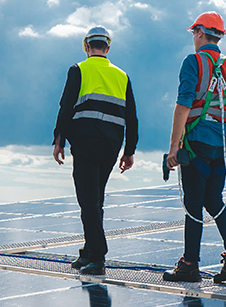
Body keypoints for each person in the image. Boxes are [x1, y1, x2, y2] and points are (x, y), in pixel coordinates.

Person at [163, 11, 226, 283]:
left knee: (193, 205)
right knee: (213, 200)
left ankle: (189, 265)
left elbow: (184, 104)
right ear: (219, 36)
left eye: (194, 33)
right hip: (224, 147)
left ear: (200, 32)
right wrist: (224, 132)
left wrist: (174, 147)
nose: (193, 38)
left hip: (197, 143)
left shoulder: (193, 62)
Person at [52, 26, 138, 276]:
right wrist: (129, 150)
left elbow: (66, 106)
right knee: (95, 198)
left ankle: (97, 256)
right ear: (107, 48)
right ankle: (89, 252)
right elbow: (132, 116)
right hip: (112, 144)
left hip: (85, 142)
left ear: (87, 47)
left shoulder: (78, 69)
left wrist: (58, 140)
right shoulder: (122, 76)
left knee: (88, 199)